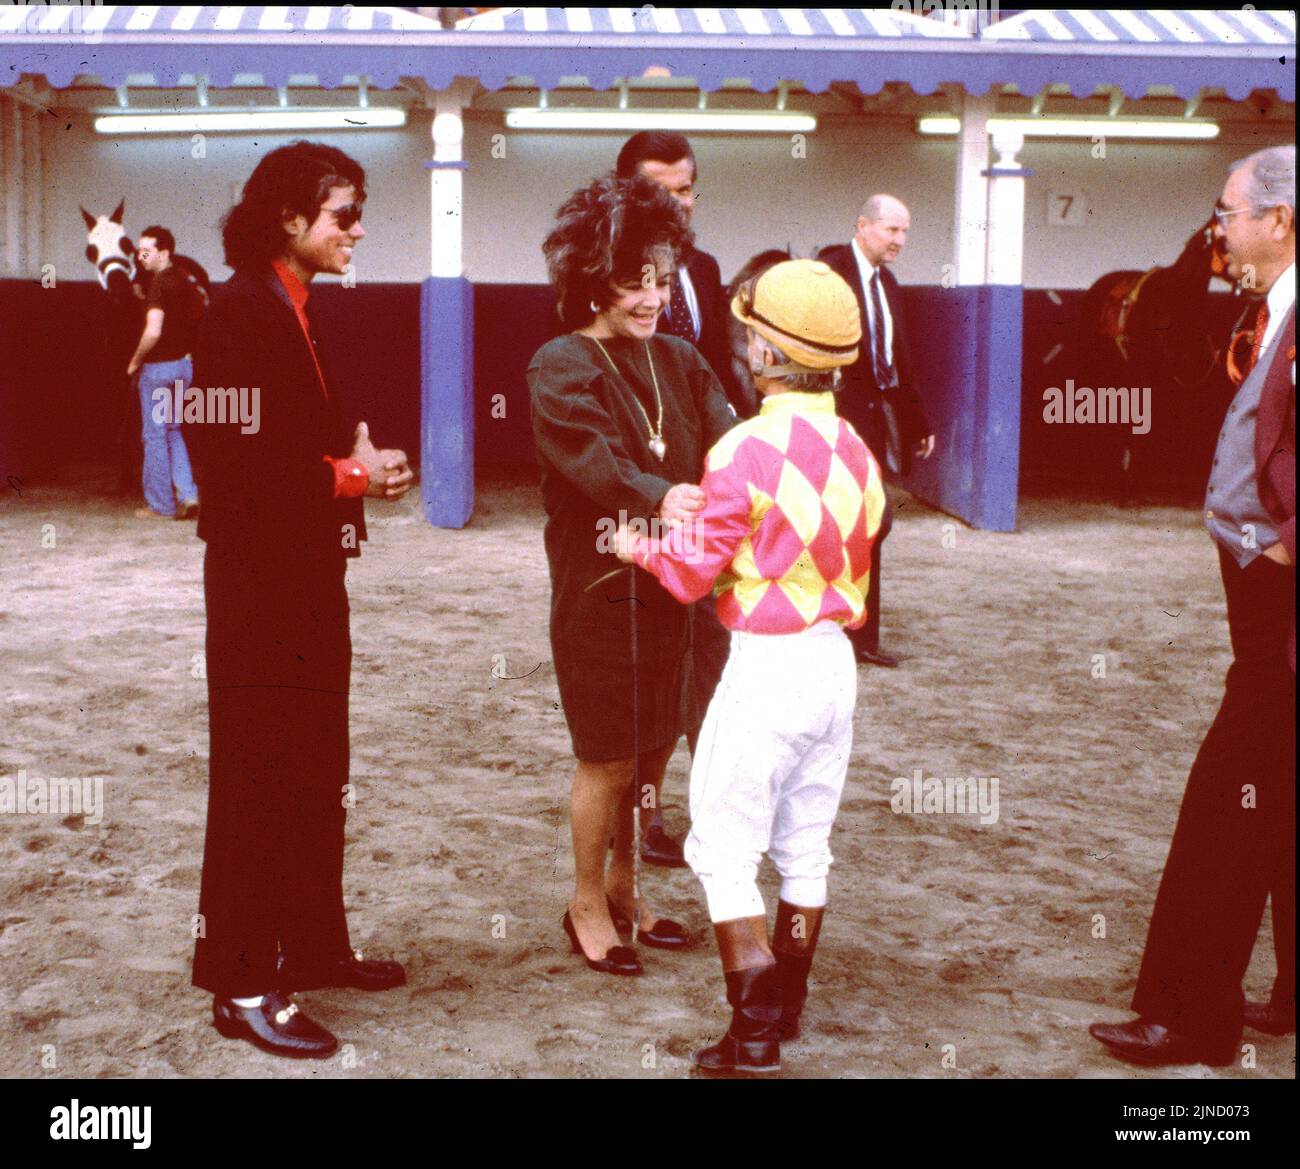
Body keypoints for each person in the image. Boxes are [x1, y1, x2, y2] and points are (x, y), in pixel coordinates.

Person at [614, 259, 886, 1074]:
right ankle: (790, 1004)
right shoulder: (858, 451)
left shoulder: (743, 448)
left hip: (765, 666)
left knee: (724, 850)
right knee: (807, 847)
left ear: (767, 354)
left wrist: (640, 547)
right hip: (835, 666)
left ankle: (753, 1031)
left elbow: (695, 571)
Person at [184, 141, 414, 1059]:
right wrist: (350, 474)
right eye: (342, 214)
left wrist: (353, 463)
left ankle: (312, 944)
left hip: (309, 577)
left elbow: (299, 439)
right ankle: (240, 978)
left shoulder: (298, 308)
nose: (357, 229)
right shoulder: (229, 313)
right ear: (289, 219)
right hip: (256, 589)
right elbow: (227, 469)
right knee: (258, 777)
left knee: (319, 768)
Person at [1090, 144, 1295, 1067]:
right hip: (1261, 582)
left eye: (1229, 211)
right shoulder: (1268, 311)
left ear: (1279, 219)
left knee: (1229, 799)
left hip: (1281, 598)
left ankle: (1190, 1015)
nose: (1220, 228)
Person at [529, 173, 737, 975]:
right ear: (592, 280)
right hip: (599, 589)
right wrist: (663, 495)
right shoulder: (559, 363)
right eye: (631, 280)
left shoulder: (681, 358)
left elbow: (729, 444)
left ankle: (628, 889)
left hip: (676, 592)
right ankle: (585, 899)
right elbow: (594, 462)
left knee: (653, 751)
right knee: (608, 755)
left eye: (660, 276)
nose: (651, 296)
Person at [615, 130, 750, 867]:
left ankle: (694, 806)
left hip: (707, 496)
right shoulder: (603, 278)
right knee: (650, 666)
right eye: (662, 188)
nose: (680, 201)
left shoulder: (701, 266)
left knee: (708, 657)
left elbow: (714, 373)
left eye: (689, 186)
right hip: (641, 496)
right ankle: (644, 811)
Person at [819, 196, 934, 668]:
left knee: (871, 520)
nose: (899, 241)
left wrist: (916, 421)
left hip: (879, 415)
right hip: (838, 416)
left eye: (904, 232)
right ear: (863, 225)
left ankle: (862, 638)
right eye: (891, 231)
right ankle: (833, 629)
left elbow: (898, 359)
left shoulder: (888, 282)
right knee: (849, 521)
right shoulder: (828, 270)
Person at [126, 226, 202, 520]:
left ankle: (161, 505)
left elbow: (153, 331)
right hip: (184, 366)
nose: (141, 256)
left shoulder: (158, 284)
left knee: (155, 436)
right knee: (174, 432)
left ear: (164, 253)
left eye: (147, 250)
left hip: (158, 370)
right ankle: (188, 494)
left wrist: (134, 361)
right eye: (139, 250)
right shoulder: (185, 281)